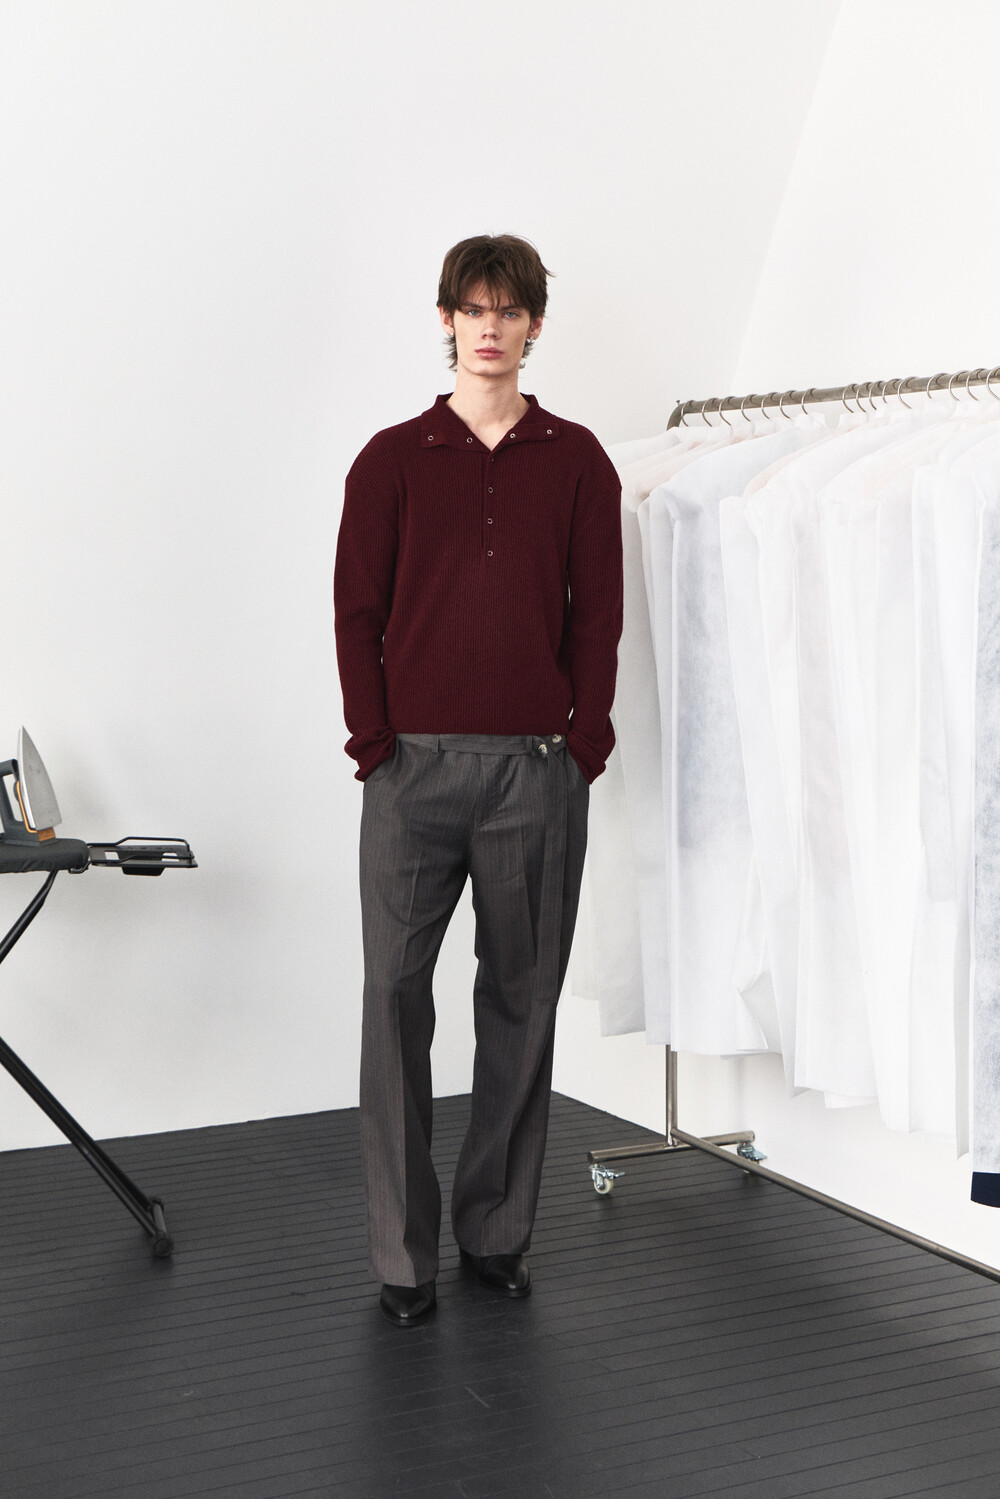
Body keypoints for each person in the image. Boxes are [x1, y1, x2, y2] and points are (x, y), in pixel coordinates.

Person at [334, 233, 623, 1325]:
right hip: (411, 774)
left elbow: (598, 615)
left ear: (534, 324)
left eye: (508, 310)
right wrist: (375, 743)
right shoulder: (391, 459)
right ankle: (403, 1254)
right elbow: (355, 611)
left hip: (534, 774)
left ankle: (496, 1233)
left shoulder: (578, 459)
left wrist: (582, 744)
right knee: (392, 1000)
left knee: (520, 1002)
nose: (489, 327)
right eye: (473, 308)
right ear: (447, 320)